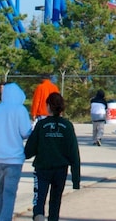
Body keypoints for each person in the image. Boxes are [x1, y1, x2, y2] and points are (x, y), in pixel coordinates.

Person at [25, 92, 81, 221]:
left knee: (39, 199)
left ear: (48, 106)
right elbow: (73, 153)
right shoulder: (67, 126)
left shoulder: (41, 125)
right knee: (55, 202)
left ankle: (38, 216)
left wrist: (23, 154)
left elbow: (30, 149)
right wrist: (76, 179)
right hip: (60, 169)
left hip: (42, 168)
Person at [0, 82, 33, 221]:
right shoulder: (20, 110)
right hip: (13, 158)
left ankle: (0, 217)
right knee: (10, 194)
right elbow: (25, 132)